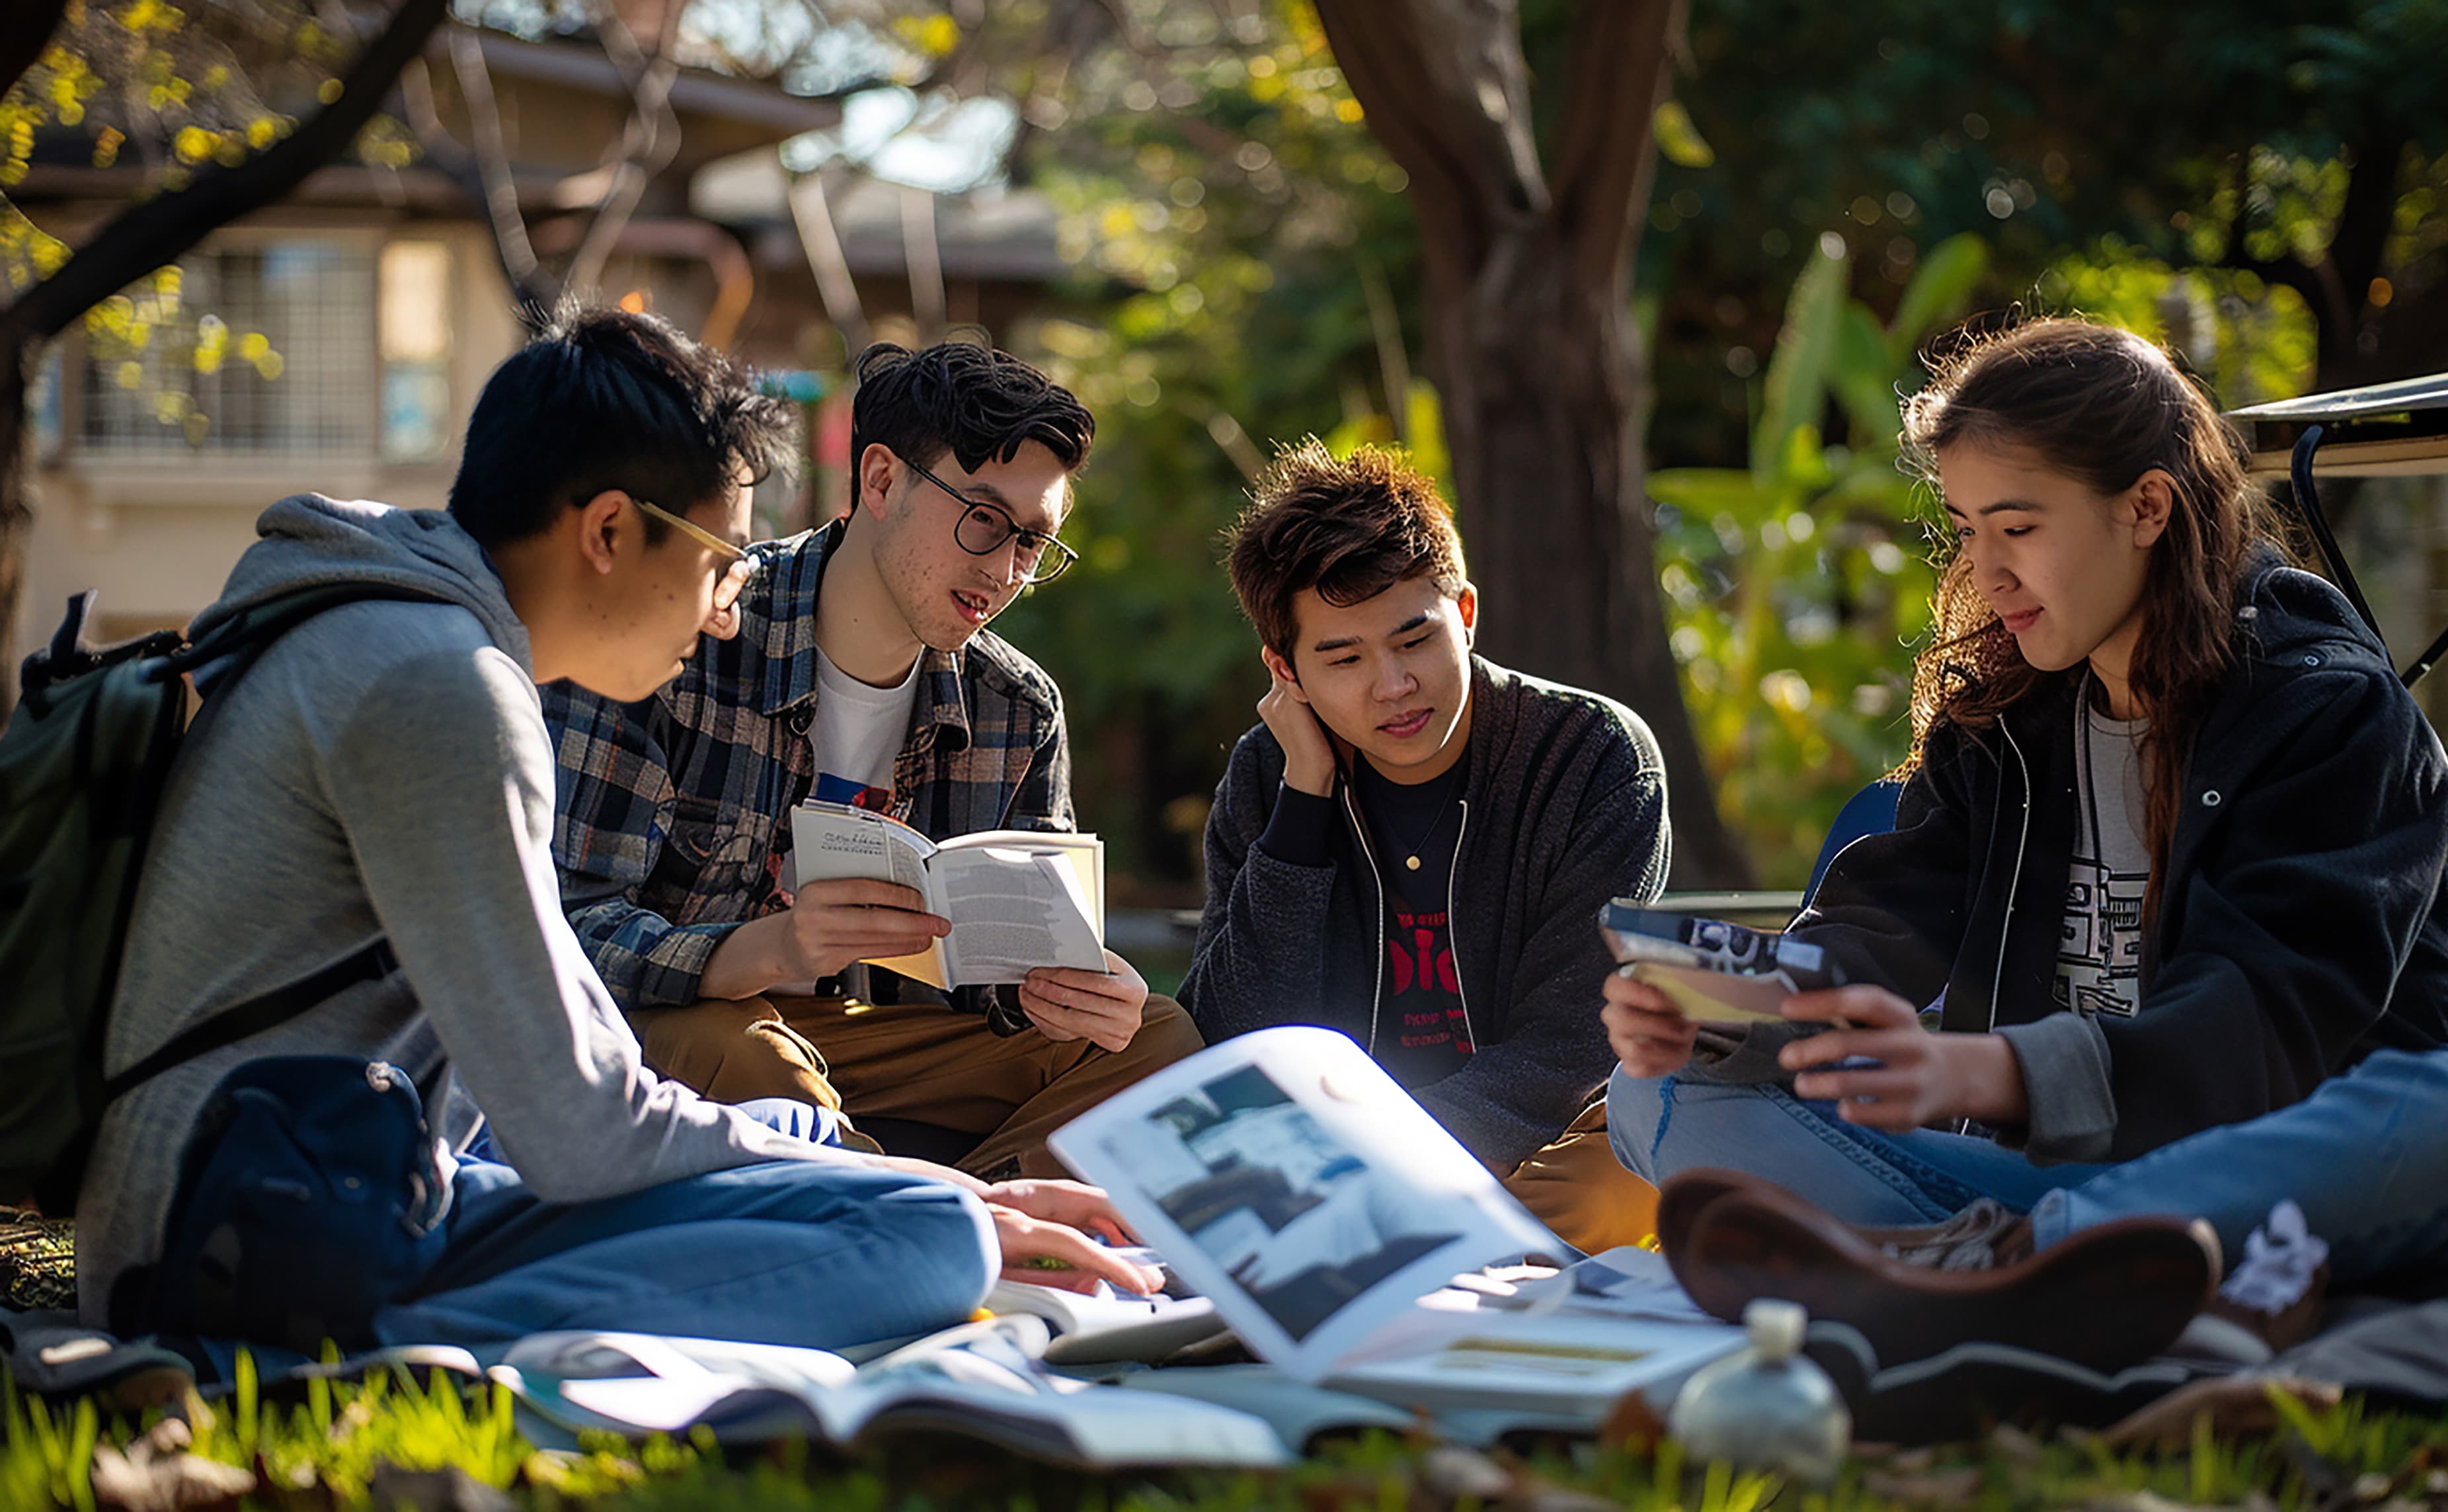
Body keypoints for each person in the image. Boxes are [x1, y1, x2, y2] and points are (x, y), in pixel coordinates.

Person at [79, 305, 1155, 1355]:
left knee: (840, 1164)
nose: (730, 606)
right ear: (605, 531)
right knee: (926, 1242)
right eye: (718, 561)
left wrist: (869, 1159)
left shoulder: (403, 636)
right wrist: (951, 1197)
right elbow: (582, 1121)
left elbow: (560, 1096)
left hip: (343, 1165)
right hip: (261, 1231)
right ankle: (381, 1346)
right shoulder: (440, 689)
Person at [1603, 317, 2448, 1330]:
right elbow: (1883, 932)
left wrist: (1982, 1070)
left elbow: (2260, 1030)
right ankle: (2034, 1285)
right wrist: (1726, 1014)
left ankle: (1985, 1279)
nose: (1986, 573)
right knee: (1651, 1095)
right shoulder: (2006, 718)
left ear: (2145, 507)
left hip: (2282, 1191)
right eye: (1967, 529)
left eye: (2019, 526)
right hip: (2034, 1195)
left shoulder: (2325, 709)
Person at [543, 340, 1201, 1183]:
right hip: (688, 1025)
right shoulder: (690, 637)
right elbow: (562, 927)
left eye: (1034, 545)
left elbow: (1001, 984)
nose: (1003, 571)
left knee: (1157, 1036)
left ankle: (979, 1219)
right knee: (747, 1054)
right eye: (985, 521)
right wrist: (769, 950)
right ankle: (931, 1219)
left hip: (877, 1039)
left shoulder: (1017, 709)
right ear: (882, 481)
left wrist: (1070, 990)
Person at [1183, 440, 1672, 1252]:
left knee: (1615, 1190)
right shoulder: (1268, 773)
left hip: (1520, 1144)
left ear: (1466, 614)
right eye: (1343, 657)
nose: (1393, 685)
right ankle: (1401, 1250)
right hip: (1324, 1151)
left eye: (1414, 640)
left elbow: (1575, 1040)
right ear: (1287, 671)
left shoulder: (1591, 754)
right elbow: (1233, 1031)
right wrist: (1304, 807)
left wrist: (1381, 1166)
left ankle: (1369, 1251)